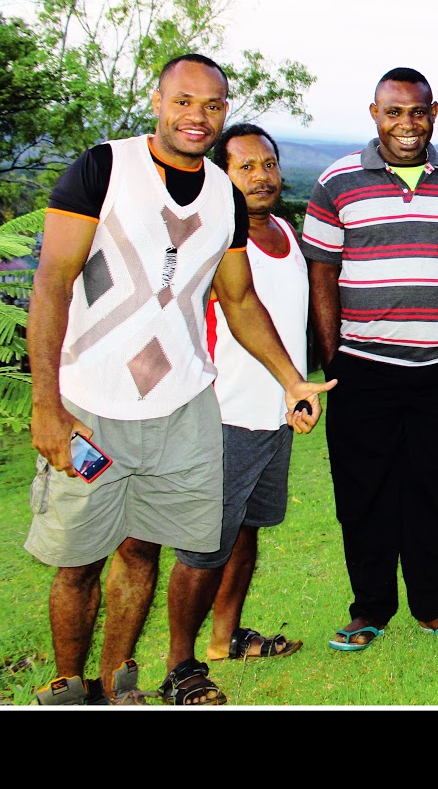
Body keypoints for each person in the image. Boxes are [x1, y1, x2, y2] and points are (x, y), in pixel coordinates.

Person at [25, 54, 334, 707]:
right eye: (184, 101)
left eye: (212, 104)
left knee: (142, 551)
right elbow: (52, 283)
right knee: (79, 560)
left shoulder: (223, 196)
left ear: (224, 111)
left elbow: (239, 300)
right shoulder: (103, 169)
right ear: (158, 102)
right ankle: (69, 687)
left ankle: (118, 684)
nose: (198, 115)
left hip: (178, 404)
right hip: (92, 403)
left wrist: (290, 380)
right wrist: (47, 404)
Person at [303, 67, 438, 652]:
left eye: (417, 111)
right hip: (362, 366)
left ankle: (435, 605)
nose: (406, 123)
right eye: (394, 112)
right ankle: (370, 609)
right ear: (374, 114)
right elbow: (322, 272)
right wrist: (334, 356)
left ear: (434, 113)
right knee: (364, 492)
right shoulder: (337, 182)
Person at [166, 124, 310, 668]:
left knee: (247, 530)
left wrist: (296, 391)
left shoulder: (286, 232)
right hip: (223, 414)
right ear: (221, 174)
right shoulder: (212, 237)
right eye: (245, 167)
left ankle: (224, 639)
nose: (260, 176)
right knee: (204, 545)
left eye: (268, 164)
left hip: (276, 415)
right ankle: (181, 664)